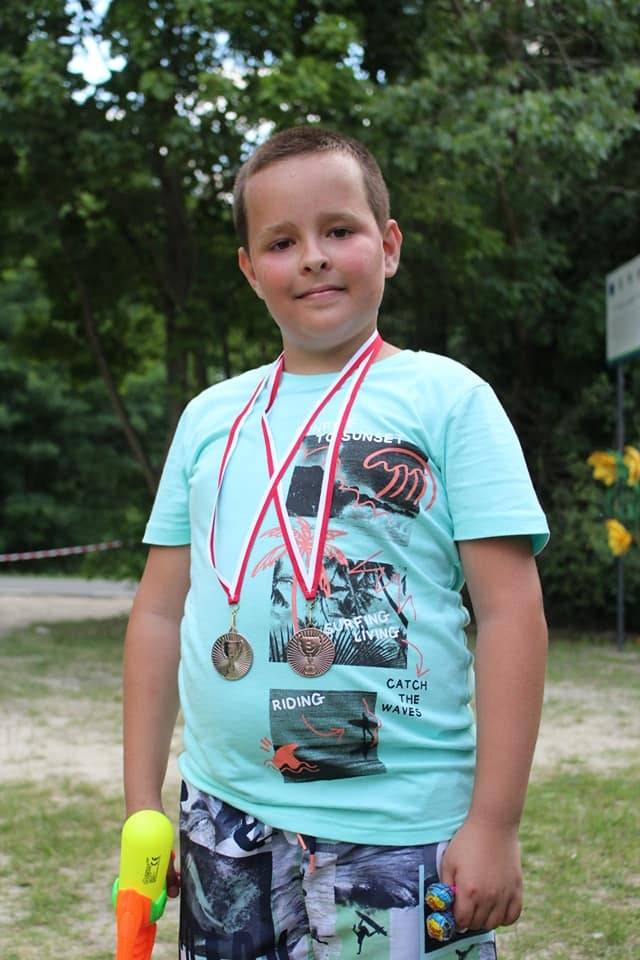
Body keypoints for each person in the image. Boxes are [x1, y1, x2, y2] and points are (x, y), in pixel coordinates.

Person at [122, 125, 549, 959]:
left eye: (339, 230)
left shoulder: (450, 400)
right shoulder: (210, 419)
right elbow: (159, 613)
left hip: (396, 828)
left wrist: (494, 822)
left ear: (388, 246)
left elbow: (509, 612)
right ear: (250, 270)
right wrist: (144, 802)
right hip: (222, 817)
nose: (313, 257)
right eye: (281, 242)